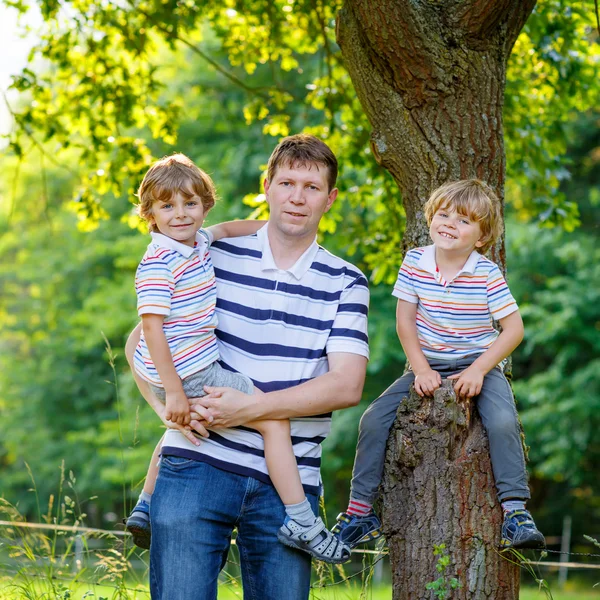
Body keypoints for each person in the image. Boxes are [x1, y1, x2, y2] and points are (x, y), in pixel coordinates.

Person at [126, 135, 369, 599]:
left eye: (312, 188)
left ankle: (303, 523)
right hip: (196, 465)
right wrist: (166, 410)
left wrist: (249, 408)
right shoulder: (208, 254)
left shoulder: (346, 281)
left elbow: (346, 385)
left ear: (330, 198)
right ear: (267, 186)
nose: (297, 197)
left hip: (289, 482)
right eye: (286, 183)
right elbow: (139, 338)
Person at [331, 179, 546, 552]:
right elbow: (404, 322)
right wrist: (420, 369)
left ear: (481, 237)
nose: (450, 224)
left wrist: (479, 370)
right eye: (444, 214)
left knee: (502, 421)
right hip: (425, 362)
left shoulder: (486, 273)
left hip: (476, 362)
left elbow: (514, 329)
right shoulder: (415, 261)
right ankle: (360, 511)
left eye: (464, 221)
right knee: (373, 418)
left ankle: (515, 513)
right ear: (431, 217)